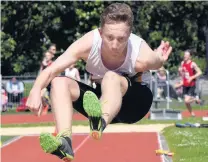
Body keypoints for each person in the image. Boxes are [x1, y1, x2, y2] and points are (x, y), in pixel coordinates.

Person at [26, 3, 172, 161]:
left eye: (121, 39)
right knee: (58, 82)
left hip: (135, 104)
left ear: (129, 35)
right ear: (101, 32)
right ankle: (64, 141)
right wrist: (35, 90)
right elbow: (51, 69)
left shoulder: (141, 55)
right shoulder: (87, 44)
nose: (115, 45)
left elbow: (158, 60)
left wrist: (159, 56)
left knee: (111, 76)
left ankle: (99, 120)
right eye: (109, 37)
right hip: (103, 98)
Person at [178, 49, 202, 117]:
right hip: (185, 85)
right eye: (184, 55)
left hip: (191, 85)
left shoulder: (193, 64)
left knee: (186, 101)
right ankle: (192, 114)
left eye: (186, 55)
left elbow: (200, 72)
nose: (184, 56)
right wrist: (179, 71)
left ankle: (195, 98)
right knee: (186, 103)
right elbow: (181, 74)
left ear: (189, 56)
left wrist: (191, 78)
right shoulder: (182, 63)